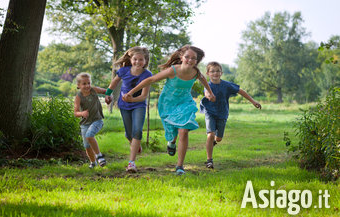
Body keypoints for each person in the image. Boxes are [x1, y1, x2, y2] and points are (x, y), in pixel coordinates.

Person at [123, 45, 216, 175]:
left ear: (197, 61)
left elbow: (203, 79)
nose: (190, 60)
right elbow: (150, 79)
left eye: (193, 58)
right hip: (168, 103)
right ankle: (172, 141)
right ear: (181, 57)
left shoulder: (196, 72)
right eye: (187, 57)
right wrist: (131, 93)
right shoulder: (173, 71)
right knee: (172, 131)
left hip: (185, 102)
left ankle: (179, 166)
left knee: (183, 131)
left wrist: (210, 93)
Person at [200, 61, 261, 169]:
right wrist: (209, 96)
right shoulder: (207, 85)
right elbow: (206, 93)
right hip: (210, 112)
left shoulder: (226, 85)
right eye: (212, 71)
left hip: (222, 113)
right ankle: (209, 160)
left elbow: (240, 91)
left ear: (221, 73)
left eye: (218, 71)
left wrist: (253, 101)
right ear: (208, 73)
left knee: (218, 139)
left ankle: (214, 141)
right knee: (210, 134)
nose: (215, 73)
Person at [105, 46, 152, 173]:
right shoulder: (124, 70)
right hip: (124, 105)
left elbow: (143, 96)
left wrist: (132, 100)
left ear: (145, 61)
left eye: (141, 60)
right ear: (131, 59)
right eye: (135, 59)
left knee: (137, 131)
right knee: (129, 133)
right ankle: (135, 143)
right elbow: (114, 83)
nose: (138, 62)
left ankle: (131, 163)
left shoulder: (147, 75)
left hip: (139, 105)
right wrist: (108, 94)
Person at [74, 72, 107, 169]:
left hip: (97, 120)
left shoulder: (94, 90)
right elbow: (75, 113)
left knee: (89, 135)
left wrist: (109, 96)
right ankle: (93, 162)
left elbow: (107, 91)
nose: (87, 85)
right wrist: (82, 113)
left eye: (88, 83)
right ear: (79, 85)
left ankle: (99, 156)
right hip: (85, 124)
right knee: (87, 146)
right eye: (84, 84)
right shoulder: (78, 97)